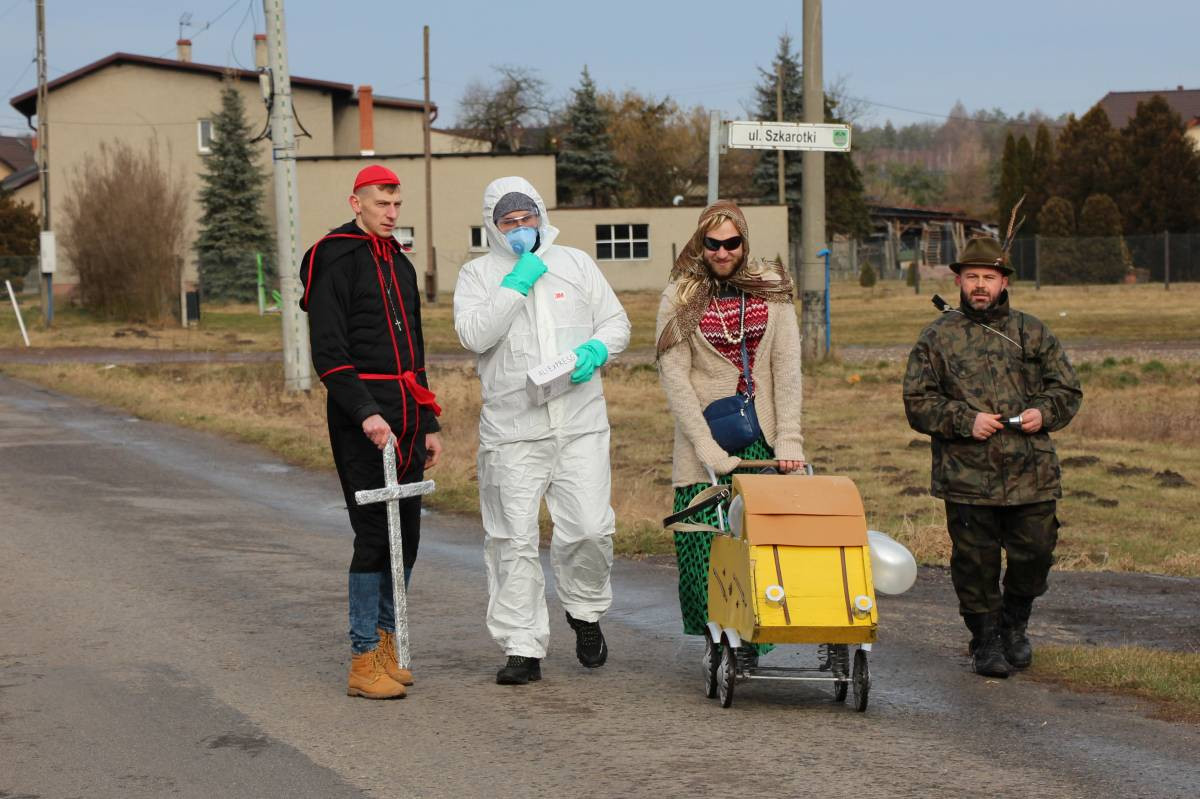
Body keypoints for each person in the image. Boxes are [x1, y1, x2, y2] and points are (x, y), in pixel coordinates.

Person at [453, 176, 630, 685]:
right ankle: (522, 646)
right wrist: (516, 283)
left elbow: (615, 323)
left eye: (526, 217)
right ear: (493, 225)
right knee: (512, 540)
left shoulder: (574, 263)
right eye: (508, 222)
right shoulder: (478, 275)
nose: (519, 228)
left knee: (591, 529)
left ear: (541, 215)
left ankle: (585, 611)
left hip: (580, 424)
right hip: (512, 431)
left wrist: (595, 351)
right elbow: (474, 335)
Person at [903, 235, 1082, 678]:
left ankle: (1014, 626)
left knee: (1036, 553)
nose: (979, 285)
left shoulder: (1031, 331)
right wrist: (965, 420)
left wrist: (1045, 411)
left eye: (988, 277)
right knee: (975, 564)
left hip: (1031, 471)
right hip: (967, 476)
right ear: (959, 281)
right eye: (971, 277)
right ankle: (984, 640)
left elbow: (1067, 388)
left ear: (1004, 282)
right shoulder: (937, 338)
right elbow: (918, 402)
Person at [299, 165, 444, 699]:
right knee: (373, 537)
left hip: (406, 414)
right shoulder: (332, 257)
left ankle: (388, 644)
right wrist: (365, 412)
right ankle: (363, 658)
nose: (391, 212)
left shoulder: (400, 267)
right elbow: (329, 353)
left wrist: (426, 422)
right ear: (355, 202)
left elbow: (416, 355)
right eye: (382, 203)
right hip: (363, 418)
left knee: (406, 538)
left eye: (396, 204)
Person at [654, 200, 806, 663]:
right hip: (707, 439)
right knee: (705, 544)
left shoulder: (771, 289)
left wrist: (790, 439)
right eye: (713, 243)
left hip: (766, 434)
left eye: (731, 243)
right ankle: (716, 636)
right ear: (700, 242)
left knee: (761, 544)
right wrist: (704, 446)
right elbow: (674, 375)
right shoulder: (680, 295)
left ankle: (752, 642)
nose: (722, 253)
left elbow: (788, 367)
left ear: (744, 241)